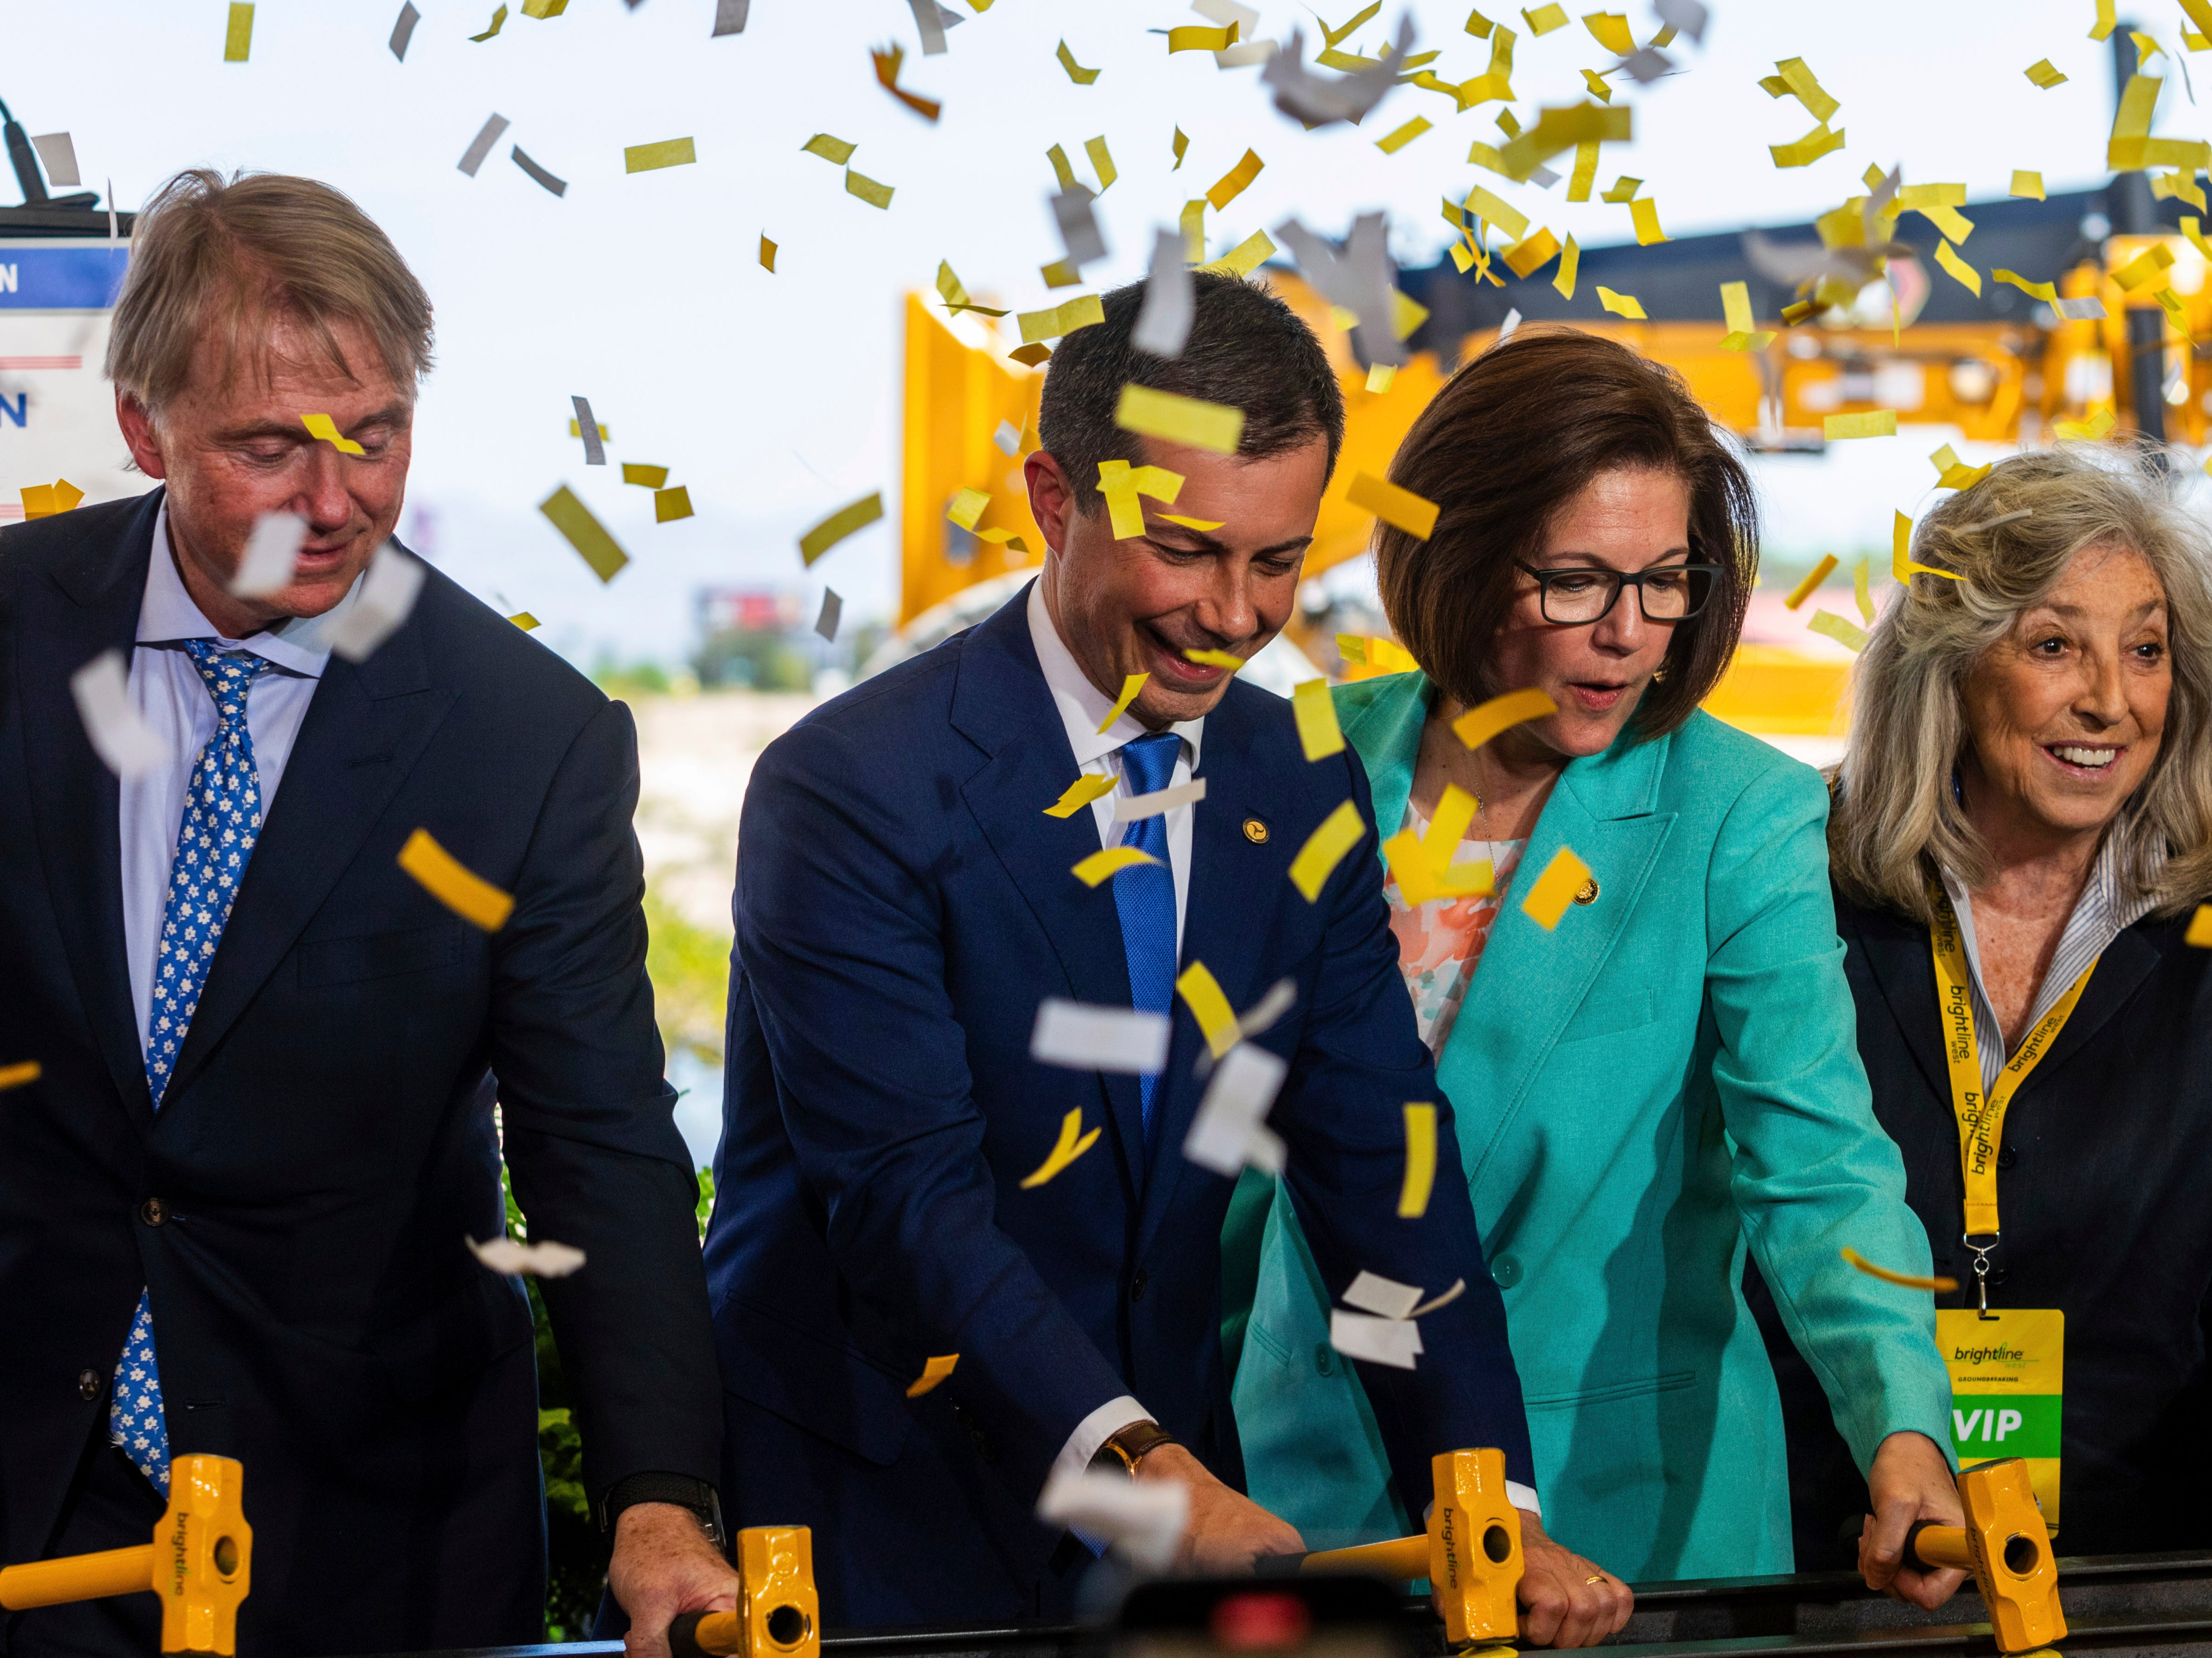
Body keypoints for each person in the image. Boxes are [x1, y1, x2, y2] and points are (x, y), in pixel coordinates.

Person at [702, 274, 1623, 1641]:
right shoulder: (848, 788)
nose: (1240, 614)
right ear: (1055, 500)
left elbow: (1379, 1164)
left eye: (1280, 560)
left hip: (1177, 1528)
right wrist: (1136, 1465)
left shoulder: (1300, 779)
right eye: (1189, 551)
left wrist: (1487, 1490)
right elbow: (904, 1201)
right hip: (883, 1518)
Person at [0, 169, 733, 1658]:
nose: (335, 504)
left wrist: (660, 1498)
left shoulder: (521, 737)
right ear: (143, 427)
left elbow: (595, 1137)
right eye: (270, 449)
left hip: (362, 1531)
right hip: (28, 1495)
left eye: (376, 437)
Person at [1227, 328, 1965, 1598]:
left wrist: (1903, 1423)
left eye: (1665, 582)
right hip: (1317, 1497)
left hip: (1629, 1520)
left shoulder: (1742, 811)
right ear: (1456, 556)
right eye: (1575, 581)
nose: (1631, 635)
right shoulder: (1295, 761)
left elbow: (1820, 1158)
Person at [1756, 444, 2212, 1559]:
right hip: (1824, 1555)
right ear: (1949, 669)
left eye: (2144, 650)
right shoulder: (1788, 889)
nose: (2109, 698)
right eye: (2054, 644)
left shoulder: (2203, 935)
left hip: (2137, 1568)